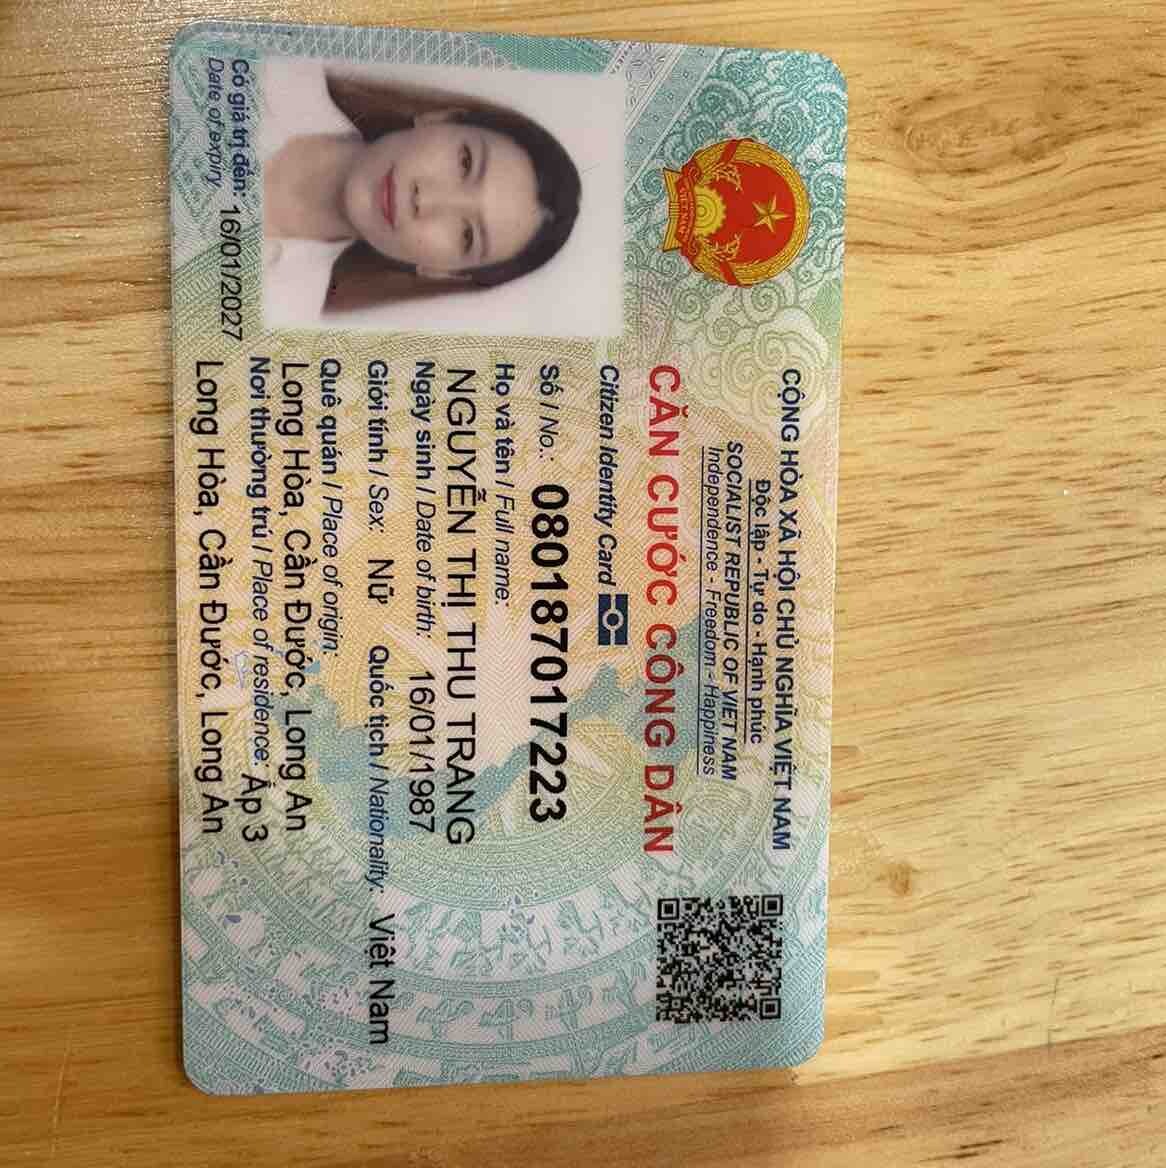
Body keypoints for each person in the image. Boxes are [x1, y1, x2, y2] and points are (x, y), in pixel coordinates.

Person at [260, 57, 582, 325]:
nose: (426, 199)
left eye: (466, 235)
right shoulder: (272, 60)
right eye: (465, 163)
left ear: (442, 273)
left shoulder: (279, 320)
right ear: (440, 119)